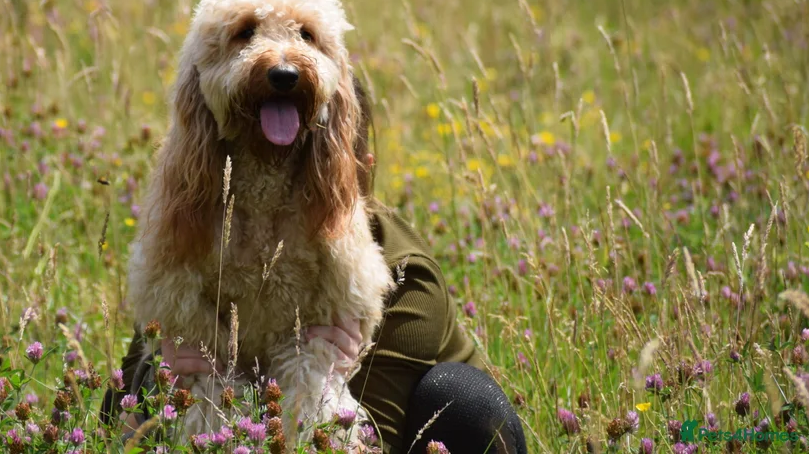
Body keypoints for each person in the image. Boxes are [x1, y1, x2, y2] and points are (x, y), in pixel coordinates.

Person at [102, 81, 527, 454]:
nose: (275, 199)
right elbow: (113, 420)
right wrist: (162, 376)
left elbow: (369, 444)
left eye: (304, 167)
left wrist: (321, 381)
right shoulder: (201, 243)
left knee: (461, 397)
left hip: (417, 439)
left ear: (359, 171)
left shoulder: (402, 275)